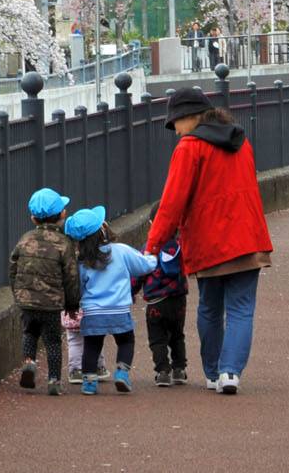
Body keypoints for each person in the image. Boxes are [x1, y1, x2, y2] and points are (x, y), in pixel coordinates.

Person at [146, 89, 274, 395]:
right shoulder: (240, 141)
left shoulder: (190, 147)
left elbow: (172, 202)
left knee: (210, 308)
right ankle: (231, 373)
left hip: (210, 241)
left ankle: (214, 371)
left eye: (175, 122)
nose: (175, 129)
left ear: (190, 117)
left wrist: (152, 246)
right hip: (248, 236)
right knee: (242, 309)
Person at [65, 205, 158, 395]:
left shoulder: (82, 261)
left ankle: (89, 382)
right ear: (102, 230)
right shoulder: (121, 251)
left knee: (91, 346)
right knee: (126, 341)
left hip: (92, 312)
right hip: (119, 309)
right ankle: (122, 373)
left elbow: (79, 287)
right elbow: (143, 266)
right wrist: (153, 258)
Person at [8, 188, 79, 396]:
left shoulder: (25, 238)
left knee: (29, 333)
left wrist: (18, 293)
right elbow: (71, 276)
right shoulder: (63, 243)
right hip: (51, 302)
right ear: (62, 215)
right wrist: (72, 303)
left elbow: (13, 268)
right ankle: (54, 380)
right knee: (53, 341)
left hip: (26, 300)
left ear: (32, 217)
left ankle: (29, 362)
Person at [133, 204, 189, 387]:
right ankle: (179, 369)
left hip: (156, 302)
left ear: (151, 223)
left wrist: (130, 293)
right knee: (177, 335)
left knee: (157, 338)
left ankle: (163, 371)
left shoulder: (149, 249)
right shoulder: (181, 247)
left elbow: (138, 274)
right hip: (178, 299)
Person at [61, 308, 84, 383]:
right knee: (95, 342)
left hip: (73, 315)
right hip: (91, 314)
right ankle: (98, 367)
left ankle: (76, 371)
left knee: (75, 343)